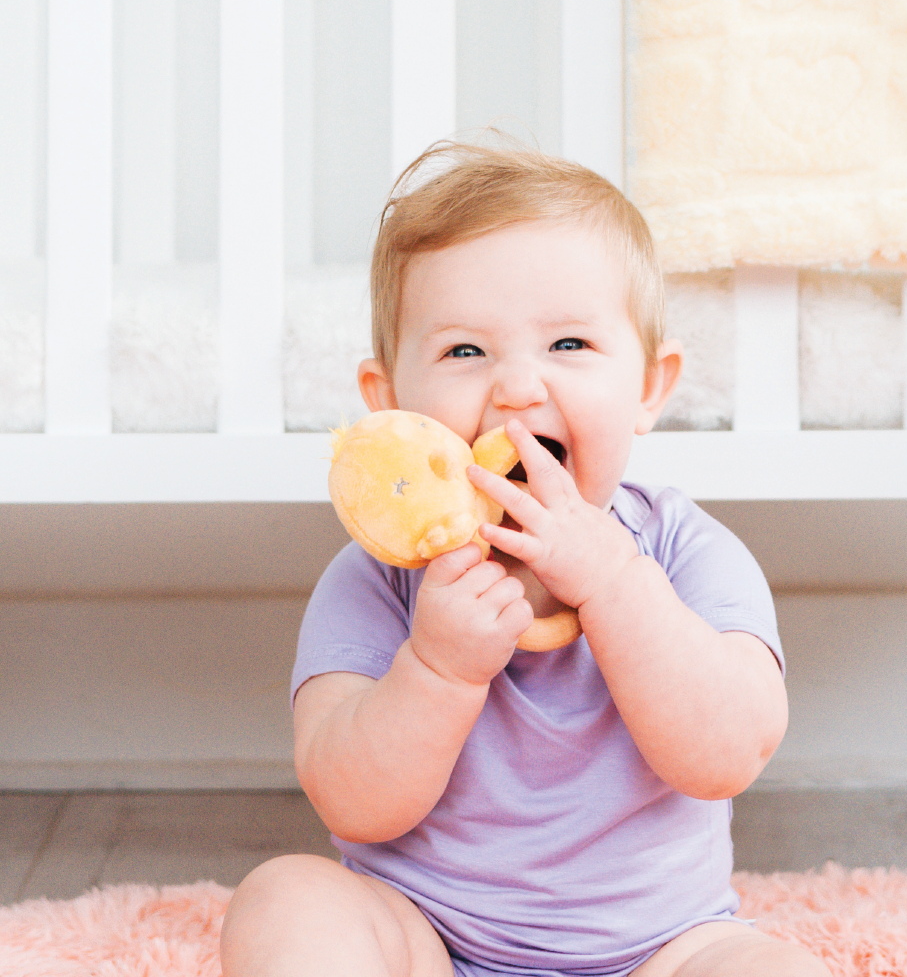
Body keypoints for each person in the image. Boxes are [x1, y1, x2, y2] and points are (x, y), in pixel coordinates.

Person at [220, 140, 831, 977]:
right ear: (390, 405)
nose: (516, 387)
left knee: (774, 970)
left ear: (650, 387)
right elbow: (351, 802)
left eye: (570, 345)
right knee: (286, 899)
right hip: (425, 938)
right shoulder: (376, 579)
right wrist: (437, 670)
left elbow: (727, 755)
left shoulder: (689, 554)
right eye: (465, 351)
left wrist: (616, 583)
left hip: (659, 951)